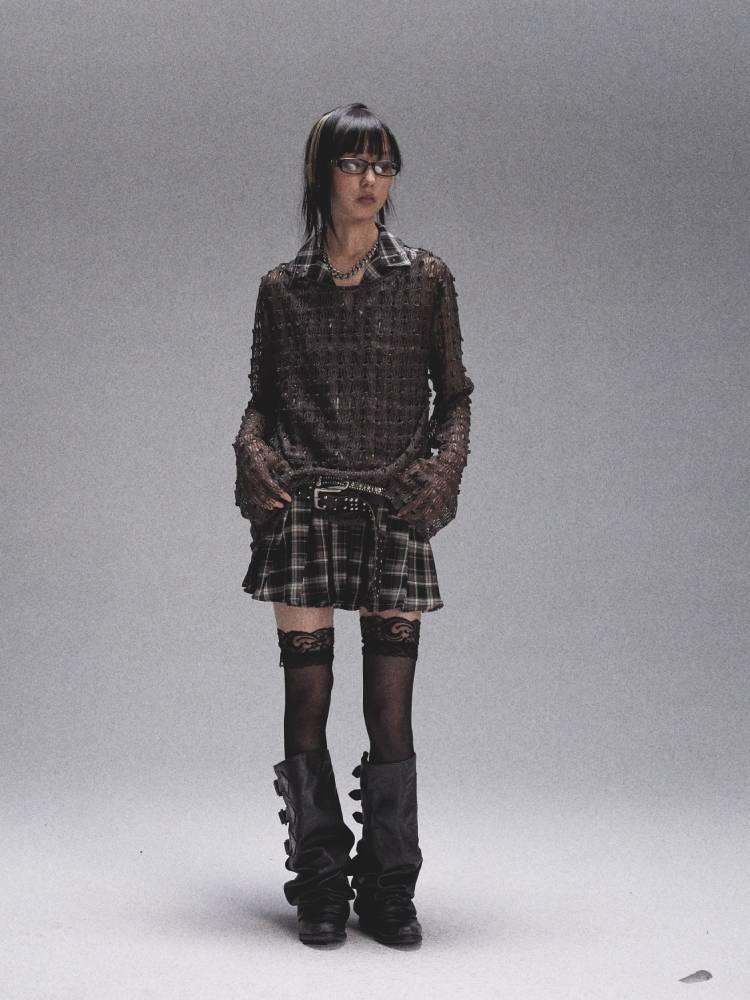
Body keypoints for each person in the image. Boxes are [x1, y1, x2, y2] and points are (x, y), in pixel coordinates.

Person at [233, 102, 474, 947]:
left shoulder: (426, 278)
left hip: (393, 508)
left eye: (384, 164)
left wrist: (442, 474)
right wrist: (249, 452)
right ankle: (321, 883)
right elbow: (263, 403)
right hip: (303, 507)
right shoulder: (282, 288)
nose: (371, 180)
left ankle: (391, 884)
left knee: (389, 708)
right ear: (322, 173)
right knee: (307, 697)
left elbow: (456, 395)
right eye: (354, 163)